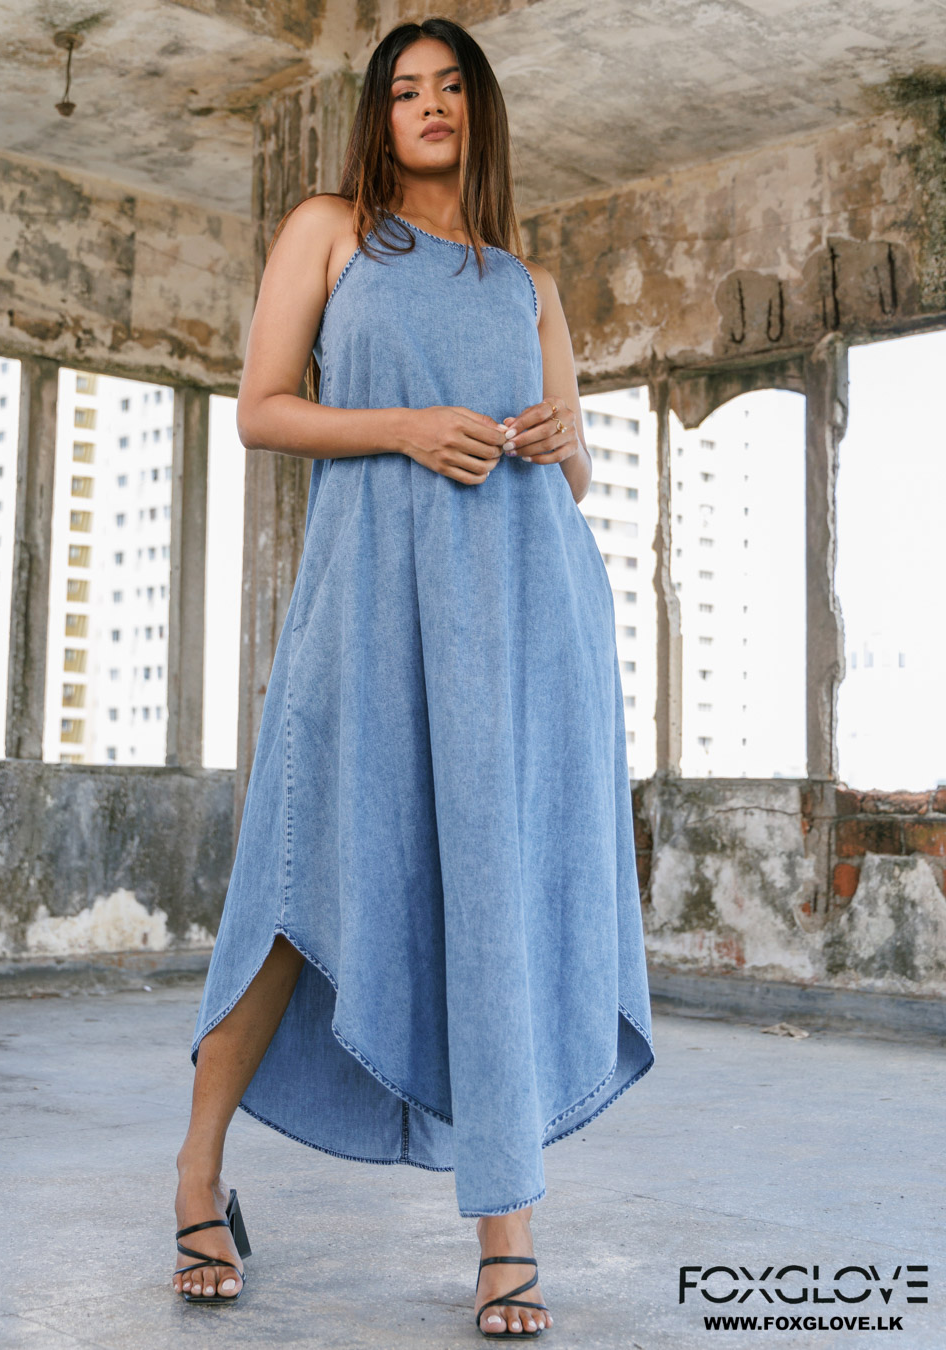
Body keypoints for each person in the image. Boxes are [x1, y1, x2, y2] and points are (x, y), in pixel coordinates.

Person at [170, 15, 655, 1339]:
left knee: (495, 892)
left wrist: (562, 435)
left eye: (450, 87)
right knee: (296, 882)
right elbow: (263, 408)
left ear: (478, 110)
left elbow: (572, 475)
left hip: (523, 622)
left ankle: (508, 1231)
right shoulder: (332, 231)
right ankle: (199, 1170)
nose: (430, 105)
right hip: (371, 604)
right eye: (405, 90)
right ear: (380, 116)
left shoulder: (529, 284)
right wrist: (406, 428)